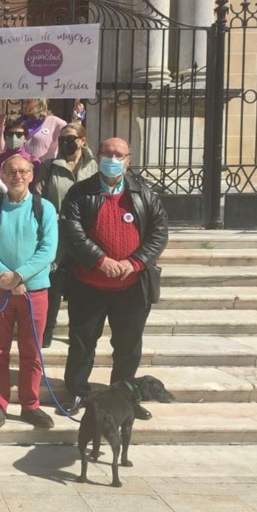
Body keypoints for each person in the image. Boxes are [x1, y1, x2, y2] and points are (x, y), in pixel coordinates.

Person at [59, 137, 169, 419]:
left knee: (128, 347)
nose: (113, 159)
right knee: (82, 344)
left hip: (132, 287)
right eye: (107, 153)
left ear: (128, 159)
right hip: (88, 284)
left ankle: (123, 398)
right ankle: (77, 393)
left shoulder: (144, 193)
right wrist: (100, 260)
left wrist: (134, 263)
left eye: (119, 154)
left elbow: (159, 234)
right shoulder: (80, 192)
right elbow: (72, 231)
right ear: (97, 156)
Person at [0, 156, 59, 430]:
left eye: (23, 171)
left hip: (34, 289)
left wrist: (20, 276)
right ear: (2, 174)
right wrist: (8, 278)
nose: (17, 176)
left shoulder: (44, 208)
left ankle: (30, 405)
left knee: (31, 350)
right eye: (11, 171)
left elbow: (48, 249)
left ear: (31, 175)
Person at [35, 122, 97, 346]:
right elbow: (38, 198)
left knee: (81, 288)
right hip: (57, 235)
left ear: (82, 140)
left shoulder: (94, 167)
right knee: (53, 285)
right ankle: (46, 333)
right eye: (62, 139)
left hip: (86, 235)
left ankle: (78, 334)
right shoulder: (49, 166)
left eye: (71, 138)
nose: (66, 143)